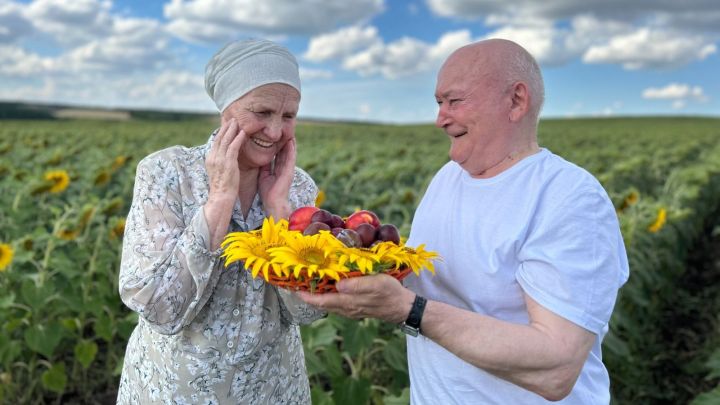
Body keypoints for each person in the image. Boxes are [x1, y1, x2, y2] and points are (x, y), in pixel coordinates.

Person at [298, 38, 629, 404]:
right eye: (439, 103)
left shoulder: (567, 197)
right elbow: (433, 287)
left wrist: (408, 310)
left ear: (516, 101)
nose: (440, 119)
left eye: (454, 101)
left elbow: (556, 367)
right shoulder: (448, 179)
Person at [117, 38, 324, 404]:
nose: (275, 132)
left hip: (272, 389)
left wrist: (280, 213)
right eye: (261, 112)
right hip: (174, 391)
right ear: (225, 108)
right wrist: (219, 200)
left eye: (288, 116)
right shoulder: (166, 174)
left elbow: (309, 310)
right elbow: (160, 311)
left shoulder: (299, 188)